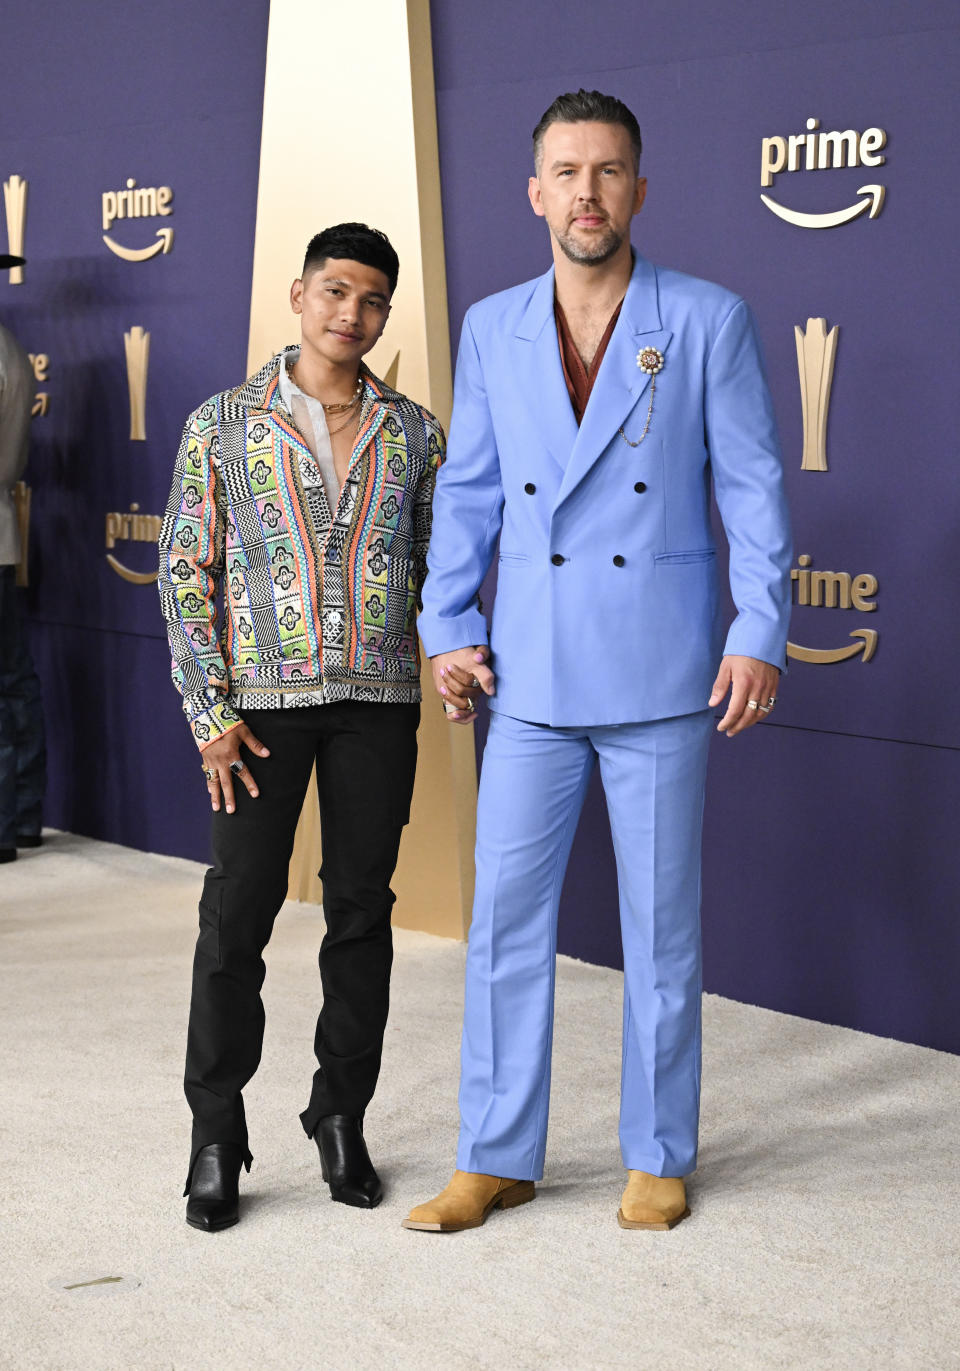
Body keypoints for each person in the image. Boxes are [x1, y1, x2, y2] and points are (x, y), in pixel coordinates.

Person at [404, 91, 791, 1234]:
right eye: (566, 172)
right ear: (536, 194)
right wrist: (446, 629)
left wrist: (757, 628)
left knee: (661, 930)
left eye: (608, 171)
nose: (587, 192)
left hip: (664, 674)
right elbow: (469, 494)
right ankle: (494, 1153)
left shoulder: (708, 319)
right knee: (505, 926)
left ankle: (659, 1151)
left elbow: (755, 492)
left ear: (639, 189)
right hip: (523, 674)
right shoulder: (491, 327)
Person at [158, 223, 445, 1232]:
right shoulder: (222, 424)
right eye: (333, 291)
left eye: (370, 300)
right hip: (257, 715)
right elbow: (183, 571)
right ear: (297, 293)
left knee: (360, 914)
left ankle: (340, 1113)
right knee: (236, 916)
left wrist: (452, 652)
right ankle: (214, 1130)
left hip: (378, 704)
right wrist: (210, 714)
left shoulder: (413, 431)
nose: (349, 314)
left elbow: (436, 565)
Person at [0, 259, 46, 864]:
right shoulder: (12, 353)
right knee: (13, 682)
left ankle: (9, 821)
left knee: (8, 685)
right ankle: (23, 815)